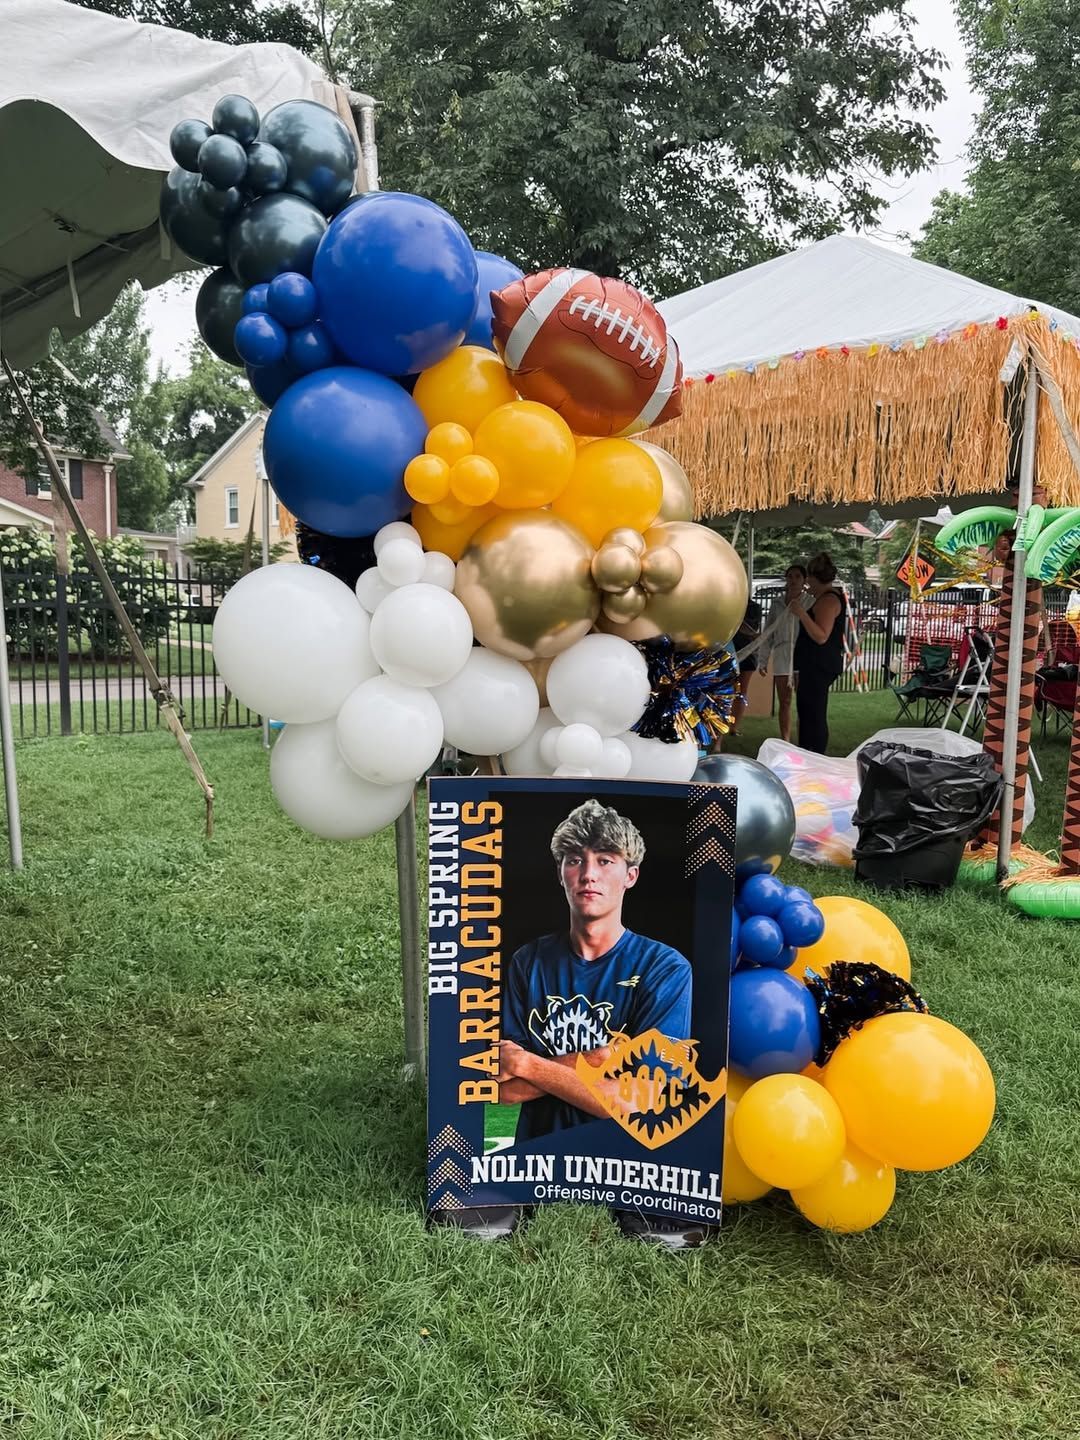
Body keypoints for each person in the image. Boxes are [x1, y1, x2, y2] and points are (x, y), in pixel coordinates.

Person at [498, 798, 692, 1143]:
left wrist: (530, 1065)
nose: (589, 875)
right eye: (575, 861)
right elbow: (505, 1090)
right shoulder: (527, 962)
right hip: (536, 1160)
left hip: (620, 1166)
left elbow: (642, 1099)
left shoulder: (665, 968)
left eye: (605, 861)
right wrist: (602, 1058)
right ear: (561, 874)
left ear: (630, 876)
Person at [790, 552, 847, 754]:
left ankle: (814, 752)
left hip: (819, 665)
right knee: (806, 711)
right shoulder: (823, 598)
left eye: (808, 580)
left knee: (813, 713)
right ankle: (808, 750)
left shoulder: (828, 601)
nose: (807, 585)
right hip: (812, 665)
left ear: (815, 578)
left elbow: (821, 636)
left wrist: (802, 614)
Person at [758, 564, 806, 742]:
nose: (793, 580)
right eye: (790, 576)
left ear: (804, 580)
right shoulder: (777, 603)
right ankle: (785, 739)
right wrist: (763, 660)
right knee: (784, 701)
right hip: (781, 654)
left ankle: (803, 739)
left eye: (797, 577)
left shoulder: (808, 602)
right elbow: (768, 632)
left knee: (803, 702)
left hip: (801, 655)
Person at [726, 594, 763, 735]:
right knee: (727, 692)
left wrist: (735, 620)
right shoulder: (727, 605)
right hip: (728, 653)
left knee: (742, 692)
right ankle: (722, 727)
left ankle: (734, 727)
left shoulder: (754, 608)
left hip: (747, 653)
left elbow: (751, 631)